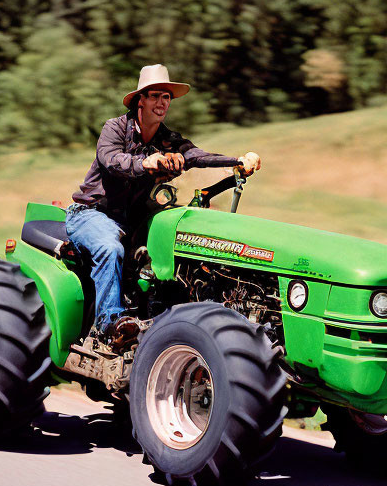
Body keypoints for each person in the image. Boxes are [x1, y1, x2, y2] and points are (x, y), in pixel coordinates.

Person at [66, 64, 260, 347]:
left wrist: (236, 161)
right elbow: (111, 160)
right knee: (110, 248)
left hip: (133, 220)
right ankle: (110, 324)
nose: (161, 102)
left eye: (166, 97)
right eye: (155, 95)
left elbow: (195, 155)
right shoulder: (115, 128)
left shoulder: (167, 139)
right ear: (140, 100)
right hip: (93, 214)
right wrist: (147, 162)